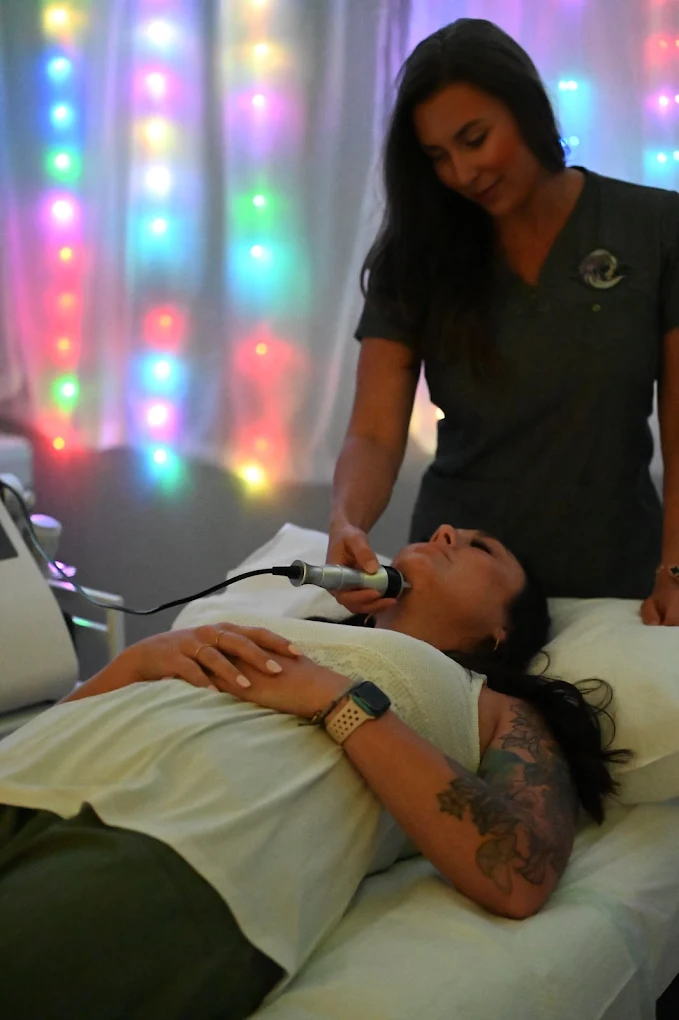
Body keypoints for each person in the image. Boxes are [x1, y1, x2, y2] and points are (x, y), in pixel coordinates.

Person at [0, 524, 631, 1020]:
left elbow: (522, 871)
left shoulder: (490, 705)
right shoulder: (294, 623)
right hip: (27, 778)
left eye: (478, 547)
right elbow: (60, 722)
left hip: (169, 841)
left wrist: (338, 701)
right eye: (449, 532)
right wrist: (140, 661)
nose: (444, 532)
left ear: (503, 629)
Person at [328, 18, 679, 626]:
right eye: (438, 156)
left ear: (527, 110)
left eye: (475, 138)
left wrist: (675, 569)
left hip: (616, 584)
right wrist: (347, 523)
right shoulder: (417, 257)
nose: (462, 173)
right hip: (454, 602)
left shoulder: (655, 229)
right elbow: (375, 433)